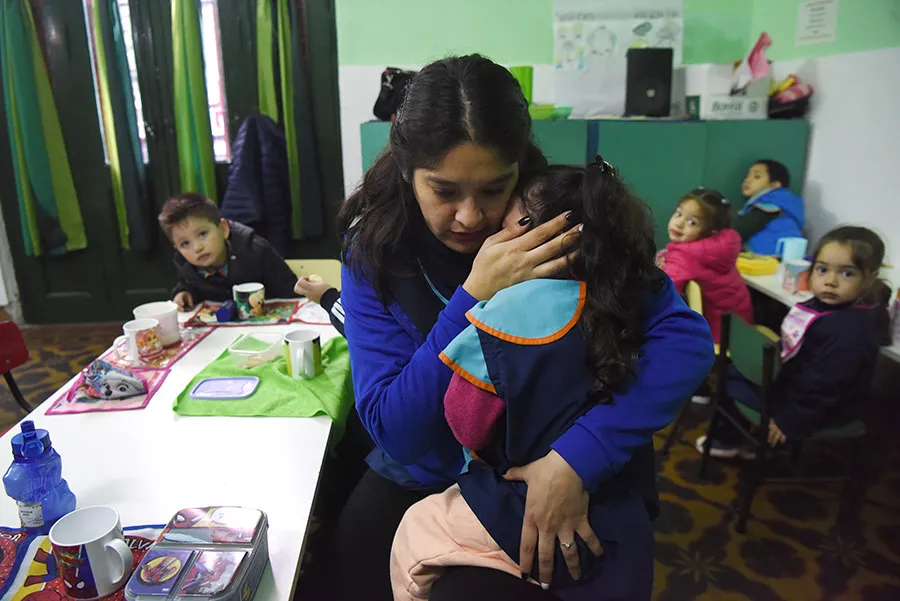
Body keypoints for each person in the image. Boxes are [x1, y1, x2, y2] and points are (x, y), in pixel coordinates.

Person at [330, 54, 713, 601]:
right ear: (408, 172)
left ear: (520, 167)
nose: (470, 217)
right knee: (354, 553)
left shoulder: (556, 213)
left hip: (550, 455)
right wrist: (472, 296)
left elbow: (684, 339)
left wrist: (578, 458)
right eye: (444, 191)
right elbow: (398, 433)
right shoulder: (374, 251)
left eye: (493, 189)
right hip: (430, 466)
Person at [390, 157, 672, 599]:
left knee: (418, 527)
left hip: (522, 501)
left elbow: (466, 422)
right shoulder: (625, 296)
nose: (474, 219)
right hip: (622, 512)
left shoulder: (500, 315)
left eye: (499, 197)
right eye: (446, 191)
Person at [698, 226, 890, 458]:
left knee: (734, 379)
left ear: (869, 279)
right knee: (737, 373)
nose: (830, 281)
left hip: (822, 409)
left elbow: (822, 385)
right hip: (798, 386)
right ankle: (752, 439)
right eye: (822, 269)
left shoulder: (850, 330)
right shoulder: (835, 306)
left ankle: (732, 441)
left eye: (847, 274)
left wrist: (788, 422)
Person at [158, 193, 299, 311]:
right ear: (177, 248)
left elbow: (291, 292)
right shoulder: (184, 263)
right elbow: (187, 284)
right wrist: (182, 293)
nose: (197, 248)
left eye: (202, 234)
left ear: (223, 229)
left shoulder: (255, 250)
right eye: (185, 243)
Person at [657, 187, 753, 344]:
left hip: (713, 337)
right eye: (679, 213)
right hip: (741, 330)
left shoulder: (684, 257)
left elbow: (661, 296)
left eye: (692, 222)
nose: (679, 223)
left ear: (710, 231)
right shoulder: (720, 247)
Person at [735, 159, 805, 255]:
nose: (748, 180)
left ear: (774, 185)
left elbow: (741, 229)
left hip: (769, 257)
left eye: (757, 176)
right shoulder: (784, 202)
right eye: (747, 176)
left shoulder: (771, 203)